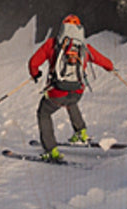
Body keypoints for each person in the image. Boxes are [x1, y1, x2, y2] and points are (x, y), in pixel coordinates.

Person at [27, 14, 115, 162]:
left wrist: (35, 74)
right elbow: (106, 62)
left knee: (44, 112)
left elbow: (33, 63)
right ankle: (81, 132)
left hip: (57, 92)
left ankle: (51, 150)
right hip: (77, 91)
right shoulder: (84, 47)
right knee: (71, 101)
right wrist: (111, 68)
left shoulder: (52, 44)